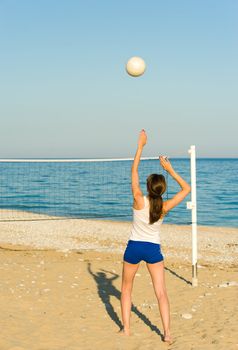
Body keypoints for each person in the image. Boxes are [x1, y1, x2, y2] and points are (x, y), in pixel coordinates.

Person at [119, 129, 191, 344]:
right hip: (152, 249)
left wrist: (140, 146)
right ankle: (167, 334)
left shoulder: (138, 198)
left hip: (134, 248)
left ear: (148, 187)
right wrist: (170, 169)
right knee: (161, 293)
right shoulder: (164, 206)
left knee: (126, 289)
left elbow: (134, 172)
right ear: (162, 189)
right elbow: (186, 189)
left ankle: (126, 330)